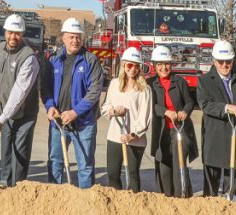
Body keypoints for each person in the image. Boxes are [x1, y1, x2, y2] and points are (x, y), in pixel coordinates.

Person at [41, 17, 104, 189]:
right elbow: (45, 88)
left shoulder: (91, 60)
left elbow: (94, 92)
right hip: (58, 122)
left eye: (78, 37)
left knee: (85, 166)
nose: (75, 40)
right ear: (63, 37)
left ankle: (85, 202)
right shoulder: (53, 60)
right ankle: (56, 199)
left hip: (83, 124)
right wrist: (50, 106)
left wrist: (75, 112)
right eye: (71, 37)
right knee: (55, 162)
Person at [0, 14, 41, 187]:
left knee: (20, 154)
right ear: (5, 32)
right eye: (10, 32)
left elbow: (19, 93)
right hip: (4, 110)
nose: (13, 37)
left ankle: (18, 188)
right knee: (6, 150)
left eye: (17, 33)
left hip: (24, 114)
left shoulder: (29, 58)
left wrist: (1, 118)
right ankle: (4, 185)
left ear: (22, 34)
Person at [197, 39, 236, 197]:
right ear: (214, 61)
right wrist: (227, 107)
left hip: (234, 135)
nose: (224, 65)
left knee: (231, 183)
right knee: (211, 184)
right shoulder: (204, 81)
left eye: (228, 61)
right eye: (221, 61)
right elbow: (205, 104)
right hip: (214, 136)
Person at [149, 45, 199, 197]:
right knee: (164, 167)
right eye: (160, 64)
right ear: (154, 66)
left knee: (180, 166)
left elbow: (190, 102)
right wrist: (164, 112)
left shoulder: (179, 82)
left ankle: (182, 196)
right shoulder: (149, 84)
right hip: (162, 131)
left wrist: (185, 111)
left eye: (166, 64)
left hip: (179, 130)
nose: (163, 68)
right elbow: (150, 105)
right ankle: (166, 200)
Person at [101, 47, 152, 192]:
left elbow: (145, 116)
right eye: (130, 65)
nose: (133, 69)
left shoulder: (144, 89)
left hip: (135, 139)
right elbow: (105, 107)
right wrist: (113, 111)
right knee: (112, 173)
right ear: (123, 65)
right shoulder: (114, 84)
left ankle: (133, 206)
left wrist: (133, 135)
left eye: (137, 66)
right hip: (115, 136)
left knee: (133, 175)